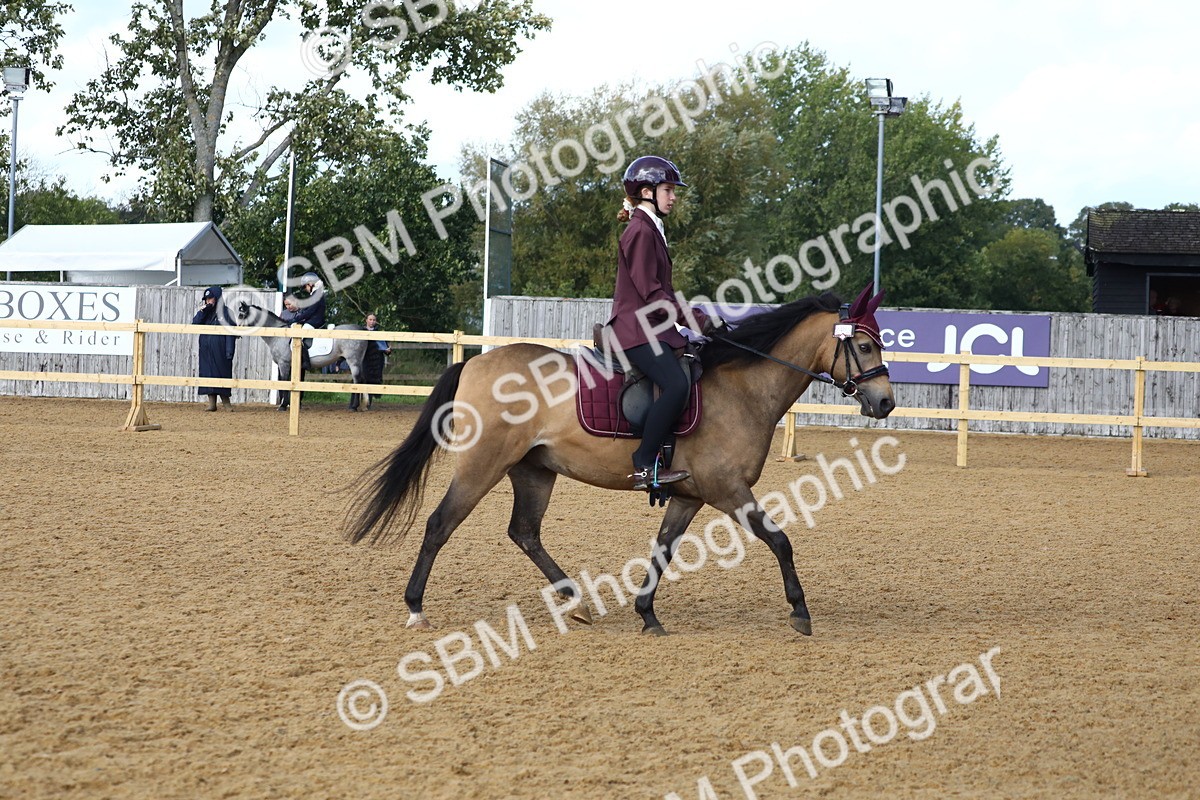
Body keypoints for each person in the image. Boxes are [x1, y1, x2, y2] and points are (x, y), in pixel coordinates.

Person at [605, 156, 720, 490]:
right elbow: (652, 292)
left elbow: (663, 292)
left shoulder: (651, 228)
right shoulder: (640, 231)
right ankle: (643, 464)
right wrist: (695, 319)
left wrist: (688, 326)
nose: (673, 197)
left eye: (672, 190)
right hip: (634, 330)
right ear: (646, 191)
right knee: (676, 385)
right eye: (668, 190)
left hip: (651, 327)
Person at [192, 286, 236, 411]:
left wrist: (229, 351)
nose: (208, 301)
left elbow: (231, 333)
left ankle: (226, 402)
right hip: (206, 350)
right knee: (207, 373)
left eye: (210, 298)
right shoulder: (204, 312)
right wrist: (202, 311)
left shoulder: (227, 313)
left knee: (222, 373)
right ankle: (212, 403)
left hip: (221, 349)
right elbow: (195, 324)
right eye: (206, 299)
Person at [350, 312, 390, 411]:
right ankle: (354, 404)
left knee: (372, 380)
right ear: (366, 320)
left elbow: (385, 348)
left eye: (374, 320)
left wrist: (388, 351)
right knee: (358, 379)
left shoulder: (379, 333)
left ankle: (367, 404)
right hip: (363, 360)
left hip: (376, 361)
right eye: (370, 319)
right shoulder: (360, 332)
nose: (372, 322)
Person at [288, 273, 327, 369]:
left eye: (305, 286)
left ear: (310, 284)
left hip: (315, 321)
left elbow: (310, 311)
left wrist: (296, 319)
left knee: (298, 337)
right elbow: (307, 309)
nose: (305, 289)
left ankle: (306, 362)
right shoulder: (315, 294)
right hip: (312, 320)